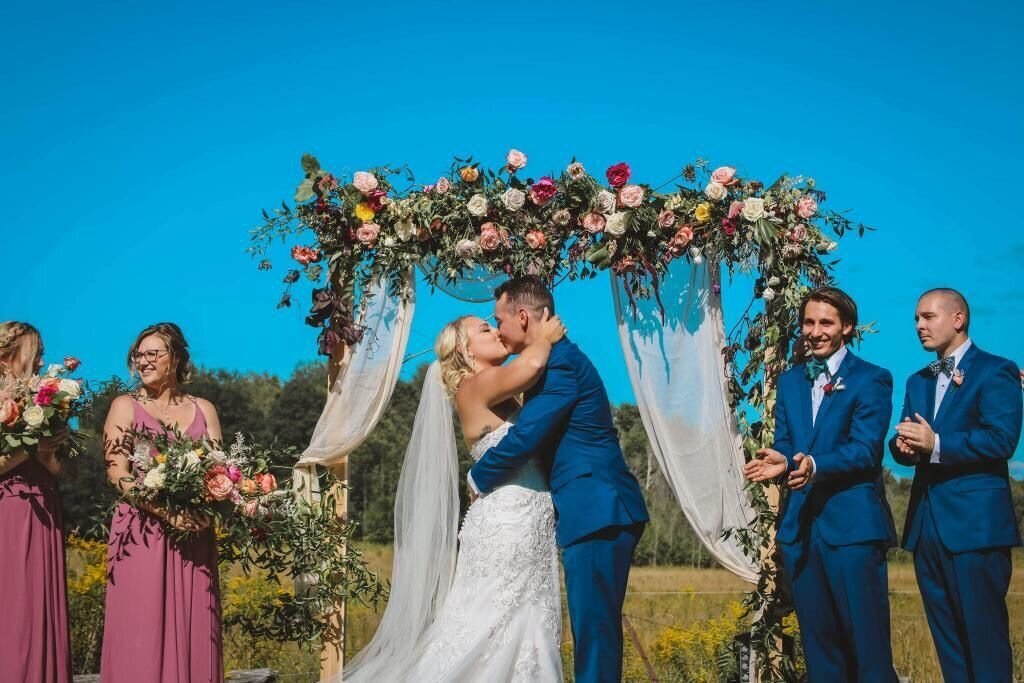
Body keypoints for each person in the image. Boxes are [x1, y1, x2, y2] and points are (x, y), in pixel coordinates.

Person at [344, 306, 568, 682]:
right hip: (507, 527)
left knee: (526, 627)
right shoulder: (476, 385)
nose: (497, 332)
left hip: (529, 522)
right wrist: (544, 336)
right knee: (489, 628)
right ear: (465, 351)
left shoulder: (503, 392)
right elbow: (530, 368)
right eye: (485, 330)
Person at [469, 275, 650, 683]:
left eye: (499, 320)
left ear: (522, 316)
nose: (498, 329)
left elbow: (528, 434)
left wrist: (478, 478)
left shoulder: (560, 364)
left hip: (598, 508)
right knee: (593, 630)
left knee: (595, 633)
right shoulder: (549, 361)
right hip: (589, 510)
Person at [743, 287, 897, 682]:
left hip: (852, 531)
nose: (814, 331)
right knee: (820, 650)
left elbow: (865, 451)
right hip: (802, 531)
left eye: (825, 322)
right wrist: (779, 460)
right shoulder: (791, 381)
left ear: (846, 327)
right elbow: (786, 444)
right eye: (808, 322)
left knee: (867, 649)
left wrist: (815, 464)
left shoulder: (872, 379)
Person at [890, 288, 1022, 682]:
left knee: (986, 644)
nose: (919, 326)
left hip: (976, 530)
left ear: (958, 319)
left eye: (928, 317)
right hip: (926, 529)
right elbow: (906, 440)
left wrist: (938, 445)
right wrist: (903, 448)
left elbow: (1002, 439)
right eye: (916, 318)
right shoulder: (917, 380)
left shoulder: (997, 370)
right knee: (948, 646)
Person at [100, 322, 224, 683]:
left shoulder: (205, 409)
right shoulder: (125, 406)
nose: (144, 361)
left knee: (196, 631)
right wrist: (168, 511)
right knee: (141, 636)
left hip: (193, 537)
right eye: (139, 354)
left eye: (153, 353)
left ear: (177, 358)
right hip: (142, 533)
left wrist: (216, 503)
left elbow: (220, 470)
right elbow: (117, 473)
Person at [0, 321, 73, 683]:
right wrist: (29, 442)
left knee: (37, 610)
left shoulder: (48, 399)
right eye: (36, 354)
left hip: (43, 507)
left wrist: (46, 449)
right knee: (13, 612)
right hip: (6, 512)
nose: (42, 364)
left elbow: (56, 470)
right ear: (6, 357)